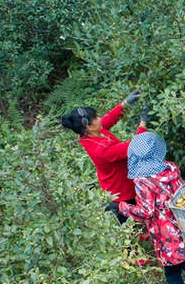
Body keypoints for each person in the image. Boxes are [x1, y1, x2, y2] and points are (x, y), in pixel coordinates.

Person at [115, 131, 185, 284]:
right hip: (181, 222)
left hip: (166, 233)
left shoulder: (143, 181)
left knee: (171, 271)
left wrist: (121, 207)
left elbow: (145, 211)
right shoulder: (170, 167)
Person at [61, 90, 149, 224]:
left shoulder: (88, 134)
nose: (99, 119)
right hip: (120, 191)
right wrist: (143, 123)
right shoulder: (102, 150)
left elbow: (107, 119)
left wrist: (124, 104)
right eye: (96, 118)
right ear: (88, 127)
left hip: (114, 180)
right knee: (128, 224)